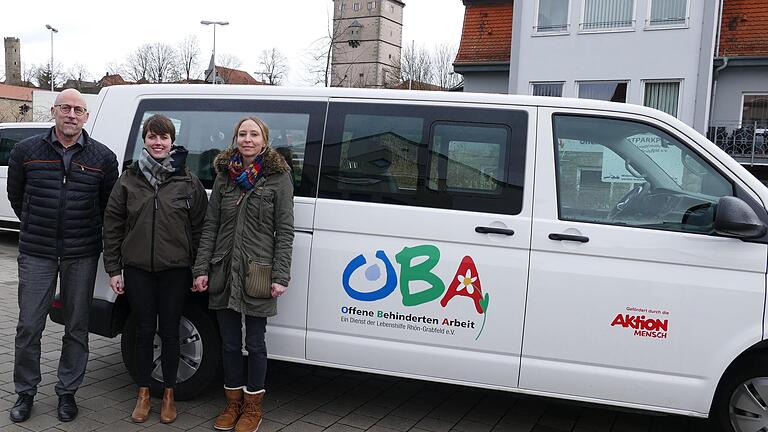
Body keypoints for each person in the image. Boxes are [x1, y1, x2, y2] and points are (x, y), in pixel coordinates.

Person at [7, 89, 118, 423]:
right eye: (66, 108)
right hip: (37, 252)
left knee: (77, 326)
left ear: (86, 116)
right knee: (29, 326)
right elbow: (17, 196)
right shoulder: (26, 151)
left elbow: (108, 206)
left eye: (79, 110)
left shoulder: (102, 157)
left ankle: (67, 392)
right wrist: (37, 227)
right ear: (54, 111)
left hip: (81, 254)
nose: (72, 114)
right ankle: (25, 392)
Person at [102, 114, 208, 424]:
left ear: (172, 142)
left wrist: (199, 268)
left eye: (163, 137)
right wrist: (114, 269)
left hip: (176, 270)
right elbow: (113, 225)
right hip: (137, 270)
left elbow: (202, 229)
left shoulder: (188, 182)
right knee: (144, 332)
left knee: (171, 332)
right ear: (144, 141)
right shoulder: (129, 180)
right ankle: (144, 393)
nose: (158, 142)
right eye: (152, 137)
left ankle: (170, 394)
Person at [193, 117, 294, 432]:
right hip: (223, 267)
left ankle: (252, 408)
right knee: (228, 343)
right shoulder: (225, 176)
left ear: (264, 140)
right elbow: (211, 225)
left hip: (259, 271)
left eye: (254, 134)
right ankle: (232, 402)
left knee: (256, 342)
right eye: (242, 134)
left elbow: (285, 231)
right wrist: (201, 268)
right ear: (235, 138)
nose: (247, 139)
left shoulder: (278, 178)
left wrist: (281, 275)